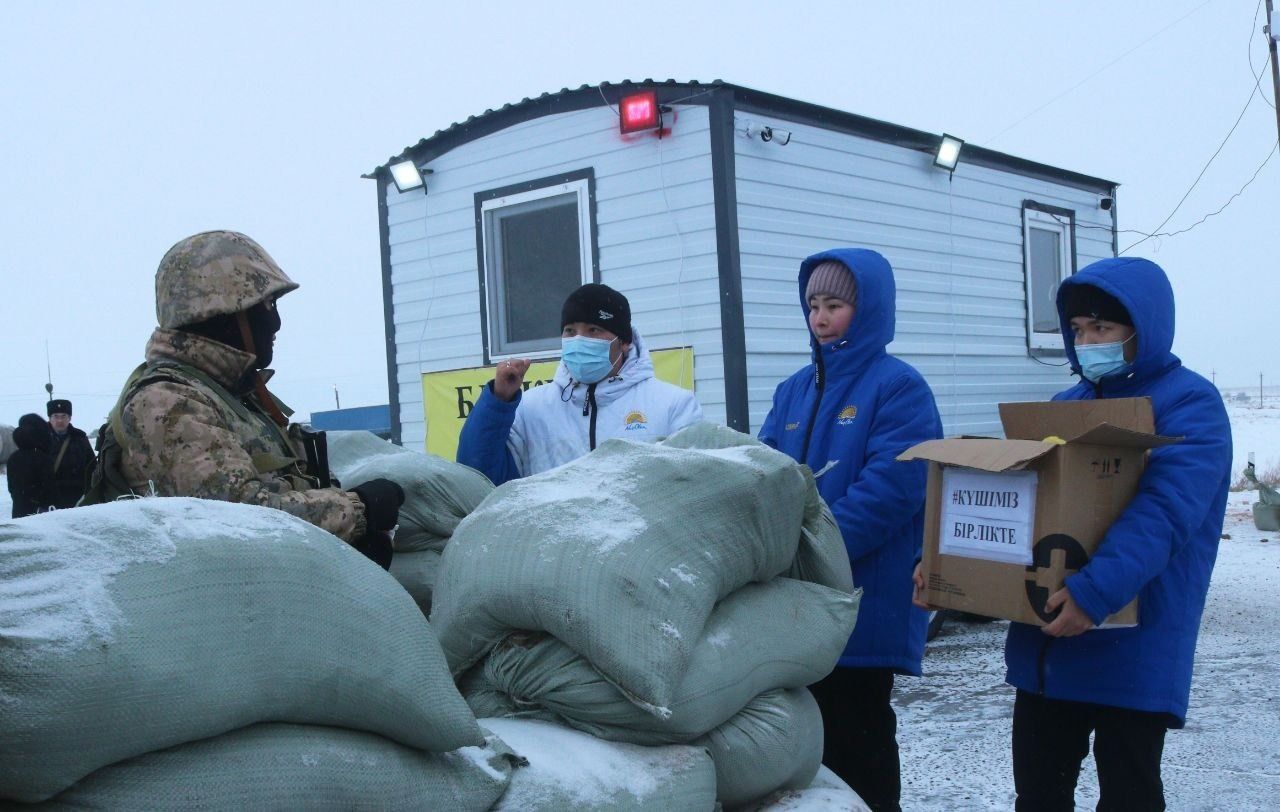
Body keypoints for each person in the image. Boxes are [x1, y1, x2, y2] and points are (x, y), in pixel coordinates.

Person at [1006, 257, 1230, 810]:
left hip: (1133, 638)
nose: (1087, 342)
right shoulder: (1065, 407)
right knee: (1039, 794)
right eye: (1079, 330)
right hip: (1051, 639)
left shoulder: (1189, 404)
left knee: (1128, 794)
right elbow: (1021, 504)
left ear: (1141, 330)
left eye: (1102, 328)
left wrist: (1094, 592)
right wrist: (944, 562)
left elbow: (1165, 512)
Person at [85, 230, 404, 568]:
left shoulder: (229, 396)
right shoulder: (167, 402)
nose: (275, 322)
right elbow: (235, 519)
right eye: (266, 305)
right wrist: (358, 510)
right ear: (221, 313)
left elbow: (278, 487)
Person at [758, 248, 942, 812]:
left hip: (866, 600)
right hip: (799, 598)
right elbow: (760, 469)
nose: (820, 316)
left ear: (868, 310)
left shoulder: (899, 386)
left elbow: (894, 488)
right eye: (813, 304)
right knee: (809, 744)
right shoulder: (794, 389)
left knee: (859, 737)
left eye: (834, 304)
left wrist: (813, 548)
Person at [456, 282, 704, 486]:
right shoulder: (531, 408)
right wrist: (498, 401)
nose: (579, 340)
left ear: (624, 341)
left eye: (594, 330)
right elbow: (478, 476)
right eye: (570, 331)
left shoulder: (673, 405)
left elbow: (693, 490)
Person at [44, 398, 95, 509]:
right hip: (50, 498)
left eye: (63, 416)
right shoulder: (40, 439)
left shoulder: (80, 438)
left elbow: (91, 466)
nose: (59, 421)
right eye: (55, 416)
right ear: (49, 418)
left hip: (78, 497)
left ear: (70, 418)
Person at [8, 413, 55, 517]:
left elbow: (12, 488)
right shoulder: (42, 458)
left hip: (19, 511)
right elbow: (49, 489)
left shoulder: (13, 457)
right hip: (41, 514)